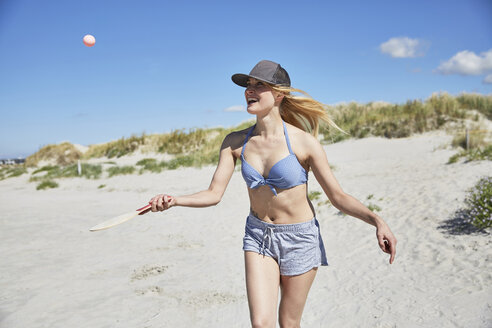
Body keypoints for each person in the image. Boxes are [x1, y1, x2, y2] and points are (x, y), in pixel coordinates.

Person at [149, 60, 397, 328]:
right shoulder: (235, 142)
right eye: (248, 85)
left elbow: (338, 197)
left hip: (299, 238)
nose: (249, 90)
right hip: (258, 235)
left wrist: (377, 221)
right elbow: (213, 193)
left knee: (289, 323)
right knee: (261, 324)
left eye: (259, 85)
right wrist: (175, 200)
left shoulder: (304, 143)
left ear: (280, 94)